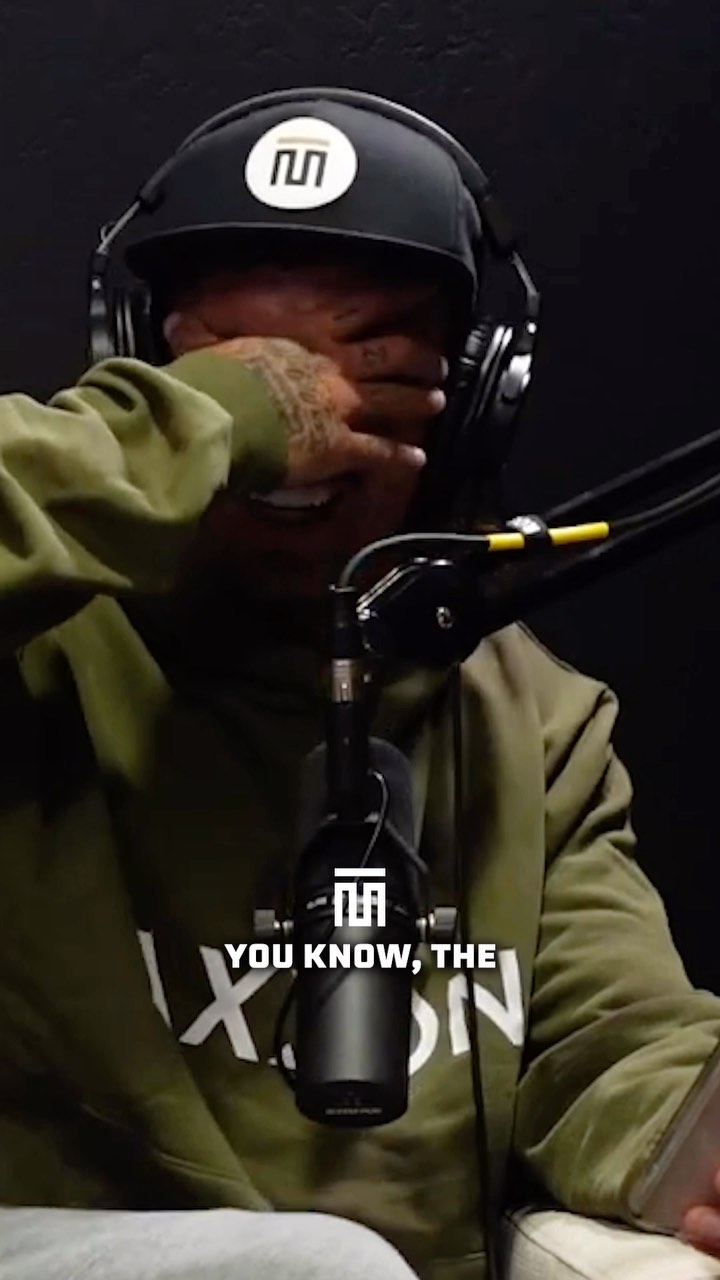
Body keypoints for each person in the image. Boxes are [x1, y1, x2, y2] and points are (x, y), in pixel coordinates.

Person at [1, 88, 720, 1280]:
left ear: (476, 403)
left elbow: (608, 1040)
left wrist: (692, 1135)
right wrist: (204, 427)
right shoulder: (43, 648)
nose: (305, 424)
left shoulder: (528, 716)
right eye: (239, 364)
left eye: (373, 369)